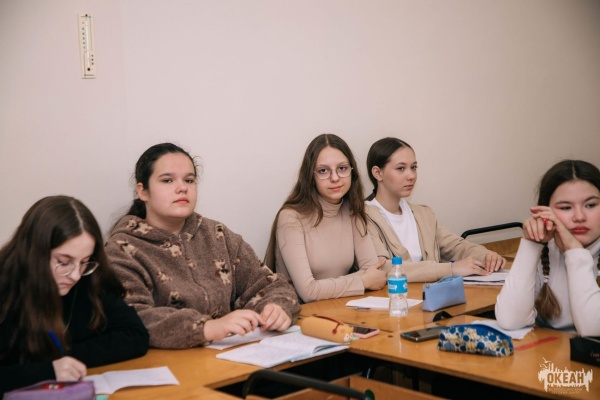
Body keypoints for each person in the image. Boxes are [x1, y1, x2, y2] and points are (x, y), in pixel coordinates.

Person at [105, 143, 300, 349]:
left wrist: (276, 308)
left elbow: (269, 284)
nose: (182, 187)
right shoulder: (121, 249)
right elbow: (133, 316)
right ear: (143, 191)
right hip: (171, 363)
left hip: (233, 357)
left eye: (189, 180)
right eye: (167, 180)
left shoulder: (217, 234)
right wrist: (206, 328)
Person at [0, 196, 149, 396]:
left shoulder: (89, 278)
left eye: (84, 261)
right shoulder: (6, 289)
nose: (75, 275)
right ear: (34, 252)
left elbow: (135, 335)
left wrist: (66, 359)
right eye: (63, 262)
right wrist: (48, 369)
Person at [264, 134, 387, 303]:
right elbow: (308, 292)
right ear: (311, 176)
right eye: (323, 171)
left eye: (342, 168)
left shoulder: (353, 209)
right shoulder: (291, 217)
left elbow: (374, 272)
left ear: (352, 171)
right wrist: (362, 281)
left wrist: (329, 286)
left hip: (342, 307)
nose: (335, 178)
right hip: (302, 314)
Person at [364, 137, 506, 282]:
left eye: (414, 167)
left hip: (431, 293)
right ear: (378, 173)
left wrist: (486, 256)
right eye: (401, 168)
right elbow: (383, 268)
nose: (411, 176)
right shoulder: (364, 217)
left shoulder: (424, 214)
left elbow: (455, 246)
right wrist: (450, 269)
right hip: (398, 295)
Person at [495, 160, 600, 335]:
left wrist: (575, 251)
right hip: (550, 351)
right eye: (566, 207)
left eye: (590, 205)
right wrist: (532, 244)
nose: (579, 217)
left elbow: (593, 329)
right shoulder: (545, 251)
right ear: (545, 211)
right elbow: (510, 321)